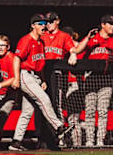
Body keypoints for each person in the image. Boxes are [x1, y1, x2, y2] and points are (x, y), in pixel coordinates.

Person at [8, 14, 72, 151]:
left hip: (35, 77)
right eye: (40, 23)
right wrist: (16, 78)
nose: (43, 26)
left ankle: (15, 142)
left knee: (27, 111)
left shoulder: (40, 42)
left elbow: (40, 63)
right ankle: (59, 127)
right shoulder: (26, 40)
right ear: (33, 25)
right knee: (44, 99)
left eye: (44, 23)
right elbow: (16, 59)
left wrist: (42, 80)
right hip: (25, 75)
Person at [77, 14, 113, 146]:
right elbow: (78, 50)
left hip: (106, 78)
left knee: (103, 111)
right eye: (110, 24)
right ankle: (89, 140)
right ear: (103, 24)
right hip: (91, 78)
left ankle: (100, 140)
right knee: (90, 111)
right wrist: (88, 38)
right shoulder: (93, 37)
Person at [35, 12, 77, 149]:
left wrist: (73, 54)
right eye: (46, 21)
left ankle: (59, 138)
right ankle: (41, 138)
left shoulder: (63, 36)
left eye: (51, 21)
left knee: (56, 105)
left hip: (57, 75)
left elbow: (72, 48)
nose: (48, 24)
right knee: (40, 105)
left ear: (57, 21)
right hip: (41, 74)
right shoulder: (43, 35)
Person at [62, 26, 86, 147]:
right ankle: (62, 142)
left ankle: (77, 145)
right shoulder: (61, 46)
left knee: (73, 117)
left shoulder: (77, 47)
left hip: (75, 84)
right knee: (60, 115)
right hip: (62, 83)